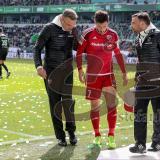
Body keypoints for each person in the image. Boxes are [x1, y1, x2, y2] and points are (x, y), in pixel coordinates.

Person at [76, 10, 128, 149]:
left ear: (108, 23)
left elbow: (117, 54)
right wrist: (80, 70)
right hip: (93, 77)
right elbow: (79, 53)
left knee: (112, 105)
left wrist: (123, 72)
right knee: (94, 107)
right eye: (99, 27)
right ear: (95, 23)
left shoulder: (113, 34)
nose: (102, 30)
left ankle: (111, 136)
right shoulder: (87, 34)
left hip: (108, 75)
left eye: (104, 27)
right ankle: (97, 136)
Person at [129, 12, 160, 153]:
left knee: (157, 114)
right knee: (139, 113)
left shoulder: (159, 35)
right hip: (142, 82)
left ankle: (157, 143)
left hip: (159, 81)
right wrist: (137, 76)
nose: (131, 25)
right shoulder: (138, 37)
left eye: (133, 22)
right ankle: (140, 144)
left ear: (142, 23)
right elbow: (141, 60)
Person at [34, 9, 79, 147]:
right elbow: (37, 49)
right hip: (50, 72)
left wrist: (76, 36)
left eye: (73, 25)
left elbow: (78, 47)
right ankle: (60, 137)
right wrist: (38, 66)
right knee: (55, 104)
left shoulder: (73, 29)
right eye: (69, 25)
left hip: (67, 72)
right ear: (62, 19)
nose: (72, 27)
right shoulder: (48, 29)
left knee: (68, 103)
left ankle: (71, 133)